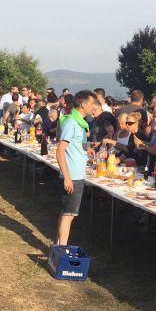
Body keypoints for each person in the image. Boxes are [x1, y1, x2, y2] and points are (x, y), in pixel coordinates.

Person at [56, 90, 96, 245]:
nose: (94, 107)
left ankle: (58, 245)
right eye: (92, 103)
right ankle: (62, 249)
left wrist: (87, 148)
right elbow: (60, 150)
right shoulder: (71, 122)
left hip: (77, 174)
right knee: (69, 215)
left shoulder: (81, 122)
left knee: (67, 212)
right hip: (71, 175)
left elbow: (77, 142)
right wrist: (67, 177)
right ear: (84, 104)